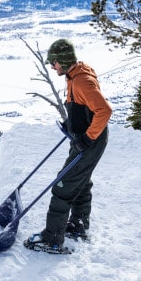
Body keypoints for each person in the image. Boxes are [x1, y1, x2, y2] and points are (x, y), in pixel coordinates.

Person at [26, 38, 112, 253]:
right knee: (80, 182)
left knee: (62, 186)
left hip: (90, 140)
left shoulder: (82, 80)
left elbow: (104, 110)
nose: (52, 66)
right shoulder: (75, 74)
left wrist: (88, 137)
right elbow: (83, 106)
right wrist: (72, 123)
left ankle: (52, 239)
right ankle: (78, 226)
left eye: (53, 62)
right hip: (84, 137)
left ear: (63, 61)